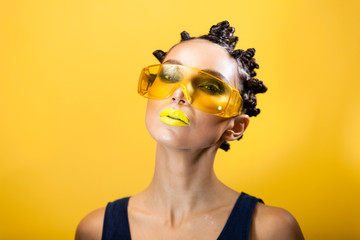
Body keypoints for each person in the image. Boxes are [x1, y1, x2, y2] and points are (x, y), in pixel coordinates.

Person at [75, 20, 304, 240]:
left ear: (235, 127)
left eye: (209, 86)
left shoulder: (270, 231)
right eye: (169, 76)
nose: (178, 94)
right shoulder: (94, 231)